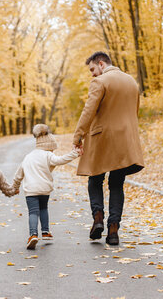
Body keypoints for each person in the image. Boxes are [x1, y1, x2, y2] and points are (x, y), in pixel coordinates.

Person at [73, 51, 144, 245]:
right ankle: (113, 230)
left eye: (93, 69)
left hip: (102, 138)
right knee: (116, 183)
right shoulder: (131, 82)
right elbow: (134, 111)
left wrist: (78, 136)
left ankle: (97, 218)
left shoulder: (101, 82)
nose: (92, 74)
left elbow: (89, 110)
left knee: (95, 178)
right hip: (125, 140)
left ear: (102, 64)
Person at [12, 124, 80, 249]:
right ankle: (45, 232)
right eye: (53, 149)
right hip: (44, 189)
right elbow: (61, 160)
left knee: (33, 212)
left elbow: (18, 175)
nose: (53, 152)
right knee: (43, 208)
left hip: (31, 190)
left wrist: (15, 187)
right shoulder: (48, 155)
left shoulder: (28, 157)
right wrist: (75, 153)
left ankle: (33, 235)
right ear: (49, 146)